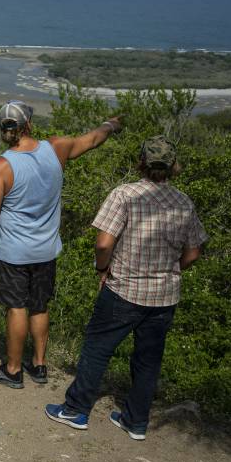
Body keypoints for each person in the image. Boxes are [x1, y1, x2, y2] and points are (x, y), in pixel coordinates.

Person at [46, 136, 206, 440]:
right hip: (164, 295)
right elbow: (194, 251)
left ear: (142, 162)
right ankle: (136, 421)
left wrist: (102, 268)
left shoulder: (125, 195)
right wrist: (172, 269)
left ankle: (75, 409)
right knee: (148, 359)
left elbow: (104, 243)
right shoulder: (183, 202)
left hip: (124, 289)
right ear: (173, 166)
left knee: (97, 348)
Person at [0, 101, 122, 389]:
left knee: (16, 307)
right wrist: (111, 125)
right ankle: (39, 365)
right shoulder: (55, 148)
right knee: (39, 306)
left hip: (14, 252)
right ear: (28, 124)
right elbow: (93, 139)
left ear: (2, 129)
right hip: (46, 249)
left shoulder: (1, 166)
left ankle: (13, 369)